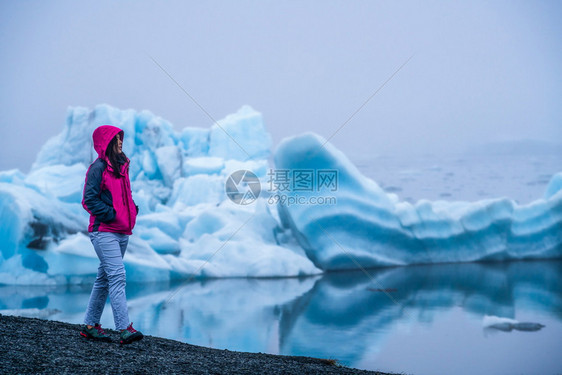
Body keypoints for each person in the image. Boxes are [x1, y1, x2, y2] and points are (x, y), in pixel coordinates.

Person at [80, 125, 143, 344]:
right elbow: (89, 200)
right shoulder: (98, 168)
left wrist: (132, 209)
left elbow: (126, 194)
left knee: (104, 278)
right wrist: (111, 214)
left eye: (121, 139)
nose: (120, 142)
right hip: (104, 231)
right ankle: (124, 328)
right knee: (117, 276)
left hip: (122, 231)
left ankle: (90, 326)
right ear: (106, 142)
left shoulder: (122, 166)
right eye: (116, 139)